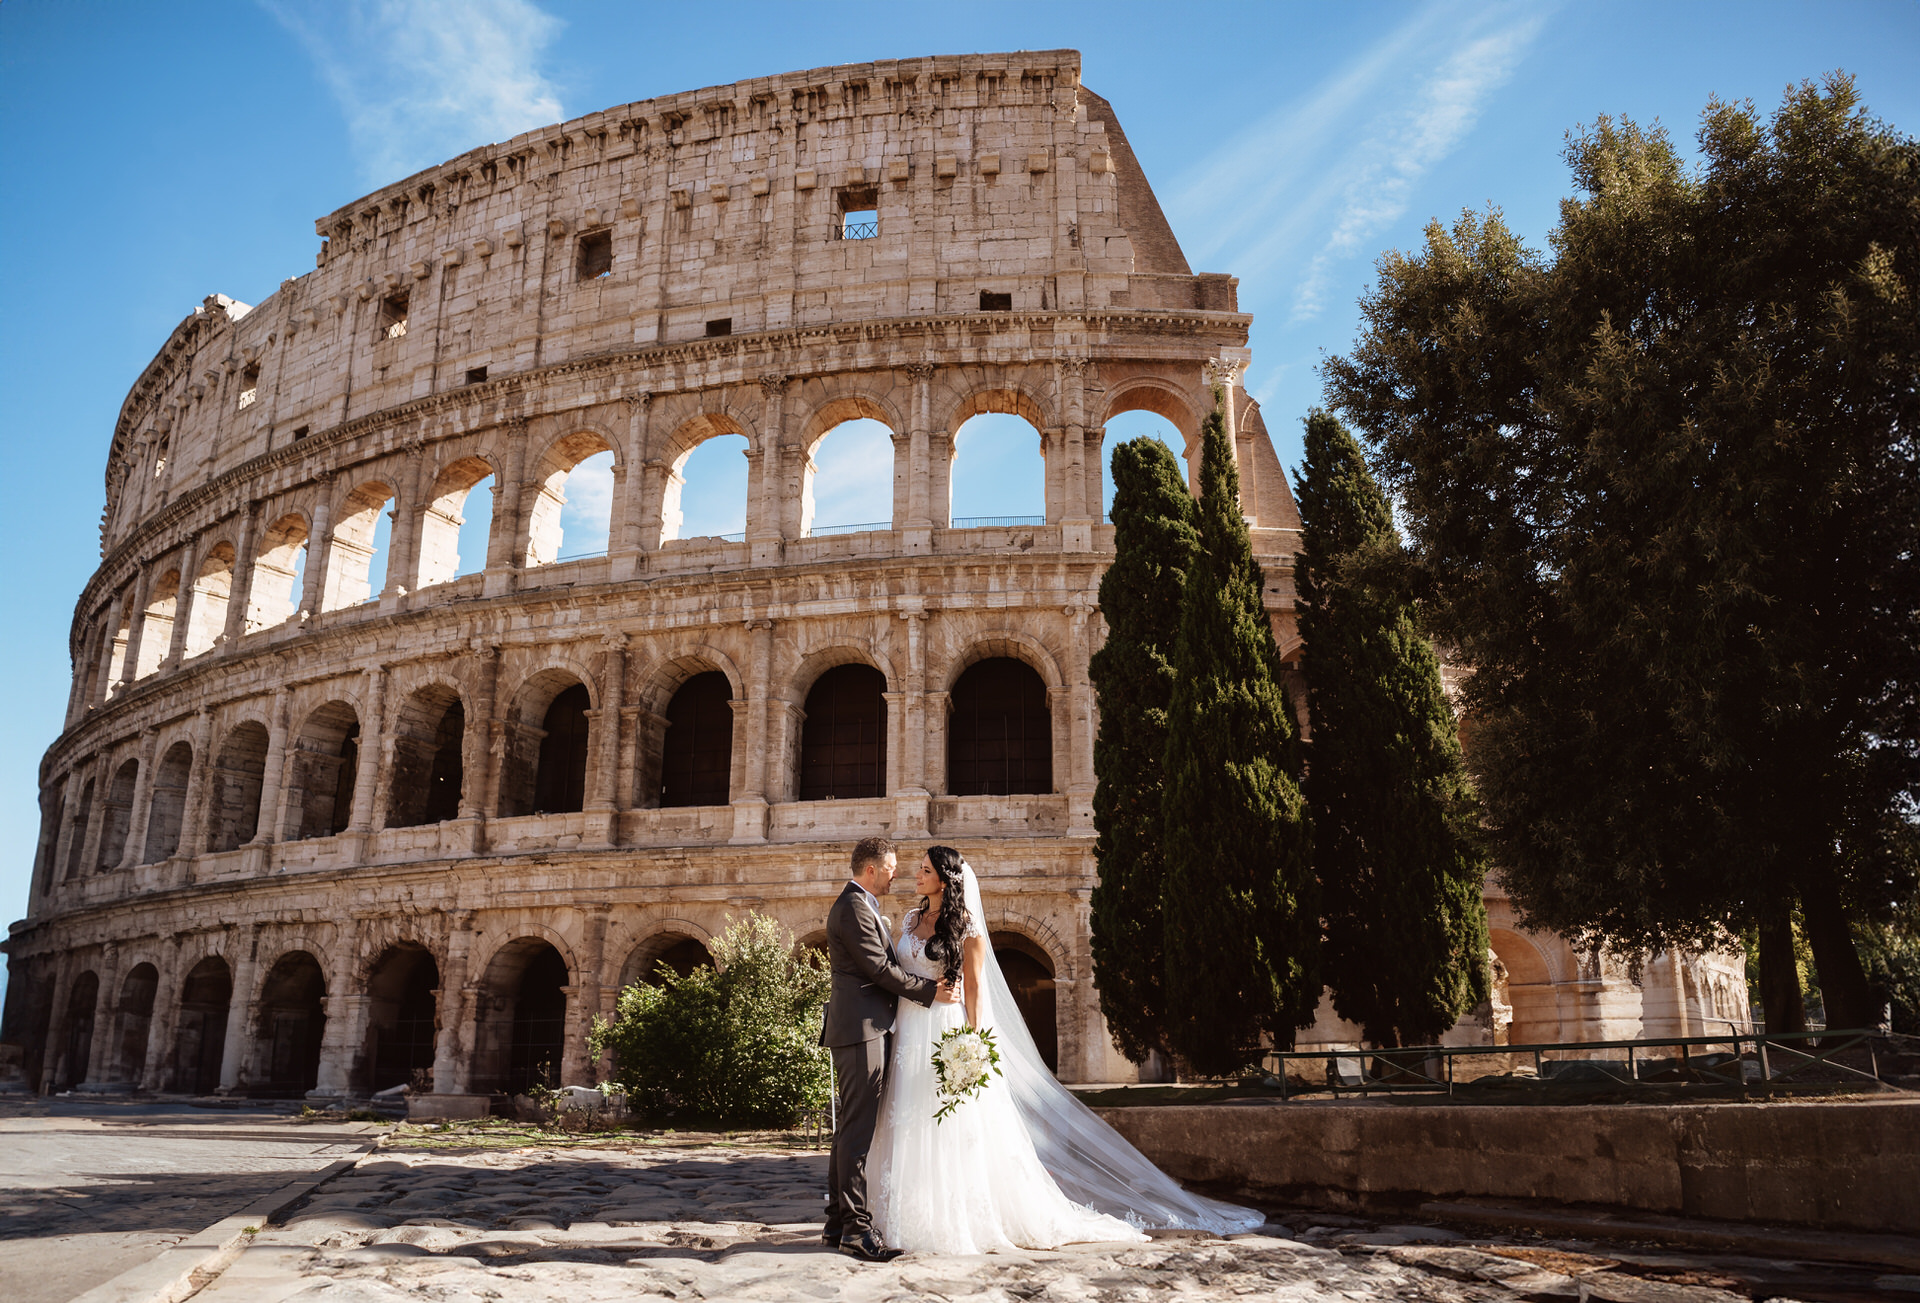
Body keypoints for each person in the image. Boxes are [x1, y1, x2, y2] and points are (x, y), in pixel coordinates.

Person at [865, 845, 1265, 1255]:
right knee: (908, 1116)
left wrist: (972, 1042)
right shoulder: (911, 919)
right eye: (919, 868)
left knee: (948, 1122)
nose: (917, 874)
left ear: (946, 880)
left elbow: (976, 990)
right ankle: (902, 1212)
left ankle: (951, 1217)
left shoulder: (966, 928)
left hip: (944, 1030)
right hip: (910, 1032)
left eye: (925, 869)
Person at [819, 835, 954, 1262]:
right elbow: (878, 969)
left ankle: (838, 1222)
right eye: (893, 867)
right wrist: (931, 992)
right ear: (872, 869)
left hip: (864, 1027)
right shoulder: (855, 908)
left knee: (851, 1130)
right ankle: (857, 1230)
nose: (899, 873)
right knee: (858, 1133)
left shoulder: (862, 905)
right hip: (862, 1030)